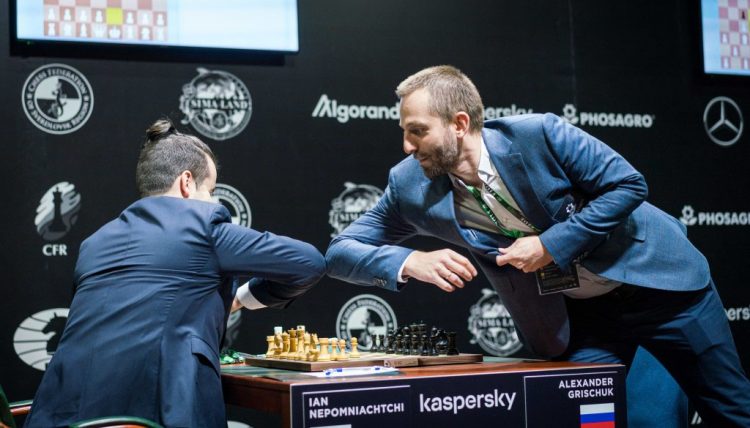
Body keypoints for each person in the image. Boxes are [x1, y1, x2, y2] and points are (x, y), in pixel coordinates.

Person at [325, 65, 750, 426]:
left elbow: (627, 184)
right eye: (404, 132)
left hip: (662, 288)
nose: (406, 145)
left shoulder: (538, 135)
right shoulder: (410, 184)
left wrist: (549, 245)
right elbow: (340, 251)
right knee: (579, 417)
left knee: (730, 410)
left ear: (459, 124)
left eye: (418, 132)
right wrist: (409, 260)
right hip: (586, 318)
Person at [25, 119, 326, 427]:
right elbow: (309, 263)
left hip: (61, 417)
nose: (212, 201)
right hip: (158, 417)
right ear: (186, 182)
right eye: (210, 190)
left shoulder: (95, 243)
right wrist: (244, 298)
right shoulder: (204, 227)